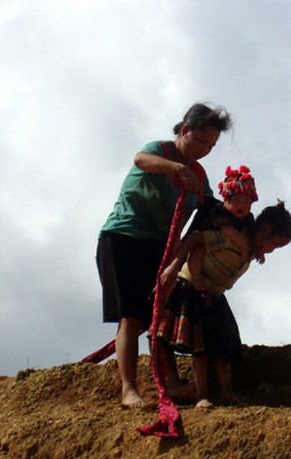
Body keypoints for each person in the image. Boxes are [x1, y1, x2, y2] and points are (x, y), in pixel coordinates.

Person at [96, 102, 233, 407]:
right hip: (123, 238)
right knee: (131, 316)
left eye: (211, 145)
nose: (204, 150)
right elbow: (140, 159)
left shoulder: (198, 173)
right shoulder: (159, 150)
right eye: (201, 141)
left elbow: (210, 209)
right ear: (185, 130)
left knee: (160, 317)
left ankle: (170, 382)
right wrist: (175, 168)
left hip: (161, 248)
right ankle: (129, 389)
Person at [157, 200, 291, 408]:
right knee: (200, 344)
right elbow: (196, 240)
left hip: (215, 292)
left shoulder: (250, 249)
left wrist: (258, 249)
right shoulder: (233, 239)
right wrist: (175, 265)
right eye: (274, 245)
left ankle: (227, 391)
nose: (272, 250)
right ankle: (201, 395)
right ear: (265, 231)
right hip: (194, 287)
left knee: (225, 342)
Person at [187, 165, 259, 292]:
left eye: (246, 202)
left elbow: (253, 235)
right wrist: (242, 245)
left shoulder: (248, 218)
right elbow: (226, 230)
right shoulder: (220, 211)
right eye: (235, 200)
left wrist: (259, 251)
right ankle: (196, 277)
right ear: (225, 200)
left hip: (222, 251)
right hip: (207, 239)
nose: (241, 205)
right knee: (198, 250)